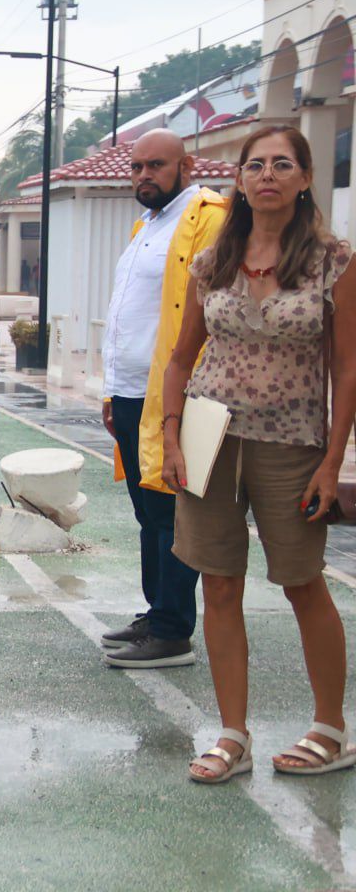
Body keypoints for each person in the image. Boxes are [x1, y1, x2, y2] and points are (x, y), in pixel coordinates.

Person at [162, 126, 356, 783]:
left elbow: (347, 367)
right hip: (209, 436)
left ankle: (331, 729)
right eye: (254, 165)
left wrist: (333, 462)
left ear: (304, 178)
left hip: (292, 441)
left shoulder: (334, 260)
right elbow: (182, 356)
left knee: (302, 583)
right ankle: (231, 736)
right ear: (239, 179)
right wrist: (169, 434)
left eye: (282, 164)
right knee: (217, 583)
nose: (267, 174)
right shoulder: (215, 257)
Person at [99, 129, 227, 669]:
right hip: (131, 396)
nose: (144, 175)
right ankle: (157, 612)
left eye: (156, 165)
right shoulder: (146, 226)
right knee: (149, 512)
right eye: (137, 167)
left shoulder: (206, 219)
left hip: (174, 399)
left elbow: (206, 314)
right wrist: (109, 390)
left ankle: (174, 629)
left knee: (175, 512)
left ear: (185, 165)